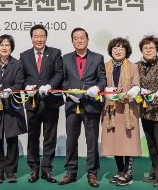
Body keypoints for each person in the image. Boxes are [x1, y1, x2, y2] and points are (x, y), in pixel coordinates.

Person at [59, 27, 107, 188]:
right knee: (71, 140)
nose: (79, 40)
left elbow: (102, 79)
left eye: (82, 38)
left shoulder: (97, 58)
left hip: (91, 104)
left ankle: (92, 173)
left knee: (91, 141)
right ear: (72, 41)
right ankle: (70, 172)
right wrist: (69, 91)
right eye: (76, 38)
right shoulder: (65, 58)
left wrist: (97, 88)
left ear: (87, 39)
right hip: (72, 105)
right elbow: (62, 80)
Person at [19, 24, 63, 184]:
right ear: (31, 38)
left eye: (42, 36)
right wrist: (26, 86)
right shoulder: (24, 56)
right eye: (36, 36)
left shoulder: (55, 53)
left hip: (51, 102)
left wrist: (50, 85)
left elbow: (59, 73)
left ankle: (46, 169)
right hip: (32, 102)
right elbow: (21, 77)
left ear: (46, 37)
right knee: (33, 136)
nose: (39, 39)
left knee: (49, 137)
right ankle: (33, 169)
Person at [0, 34, 27, 184]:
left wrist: (10, 90)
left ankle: (10, 172)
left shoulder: (18, 64)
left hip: (12, 105)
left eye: (7, 45)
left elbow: (19, 83)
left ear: (11, 48)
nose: (4, 47)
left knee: (12, 139)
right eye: (1, 45)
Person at [101, 37, 142, 186]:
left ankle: (128, 173)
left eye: (121, 48)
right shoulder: (105, 66)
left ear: (126, 51)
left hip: (127, 109)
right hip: (111, 109)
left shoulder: (133, 67)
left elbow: (136, 85)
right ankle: (120, 171)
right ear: (110, 51)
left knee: (129, 142)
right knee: (115, 141)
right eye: (115, 48)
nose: (118, 51)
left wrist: (133, 90)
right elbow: (101, 84)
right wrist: (105, 90)